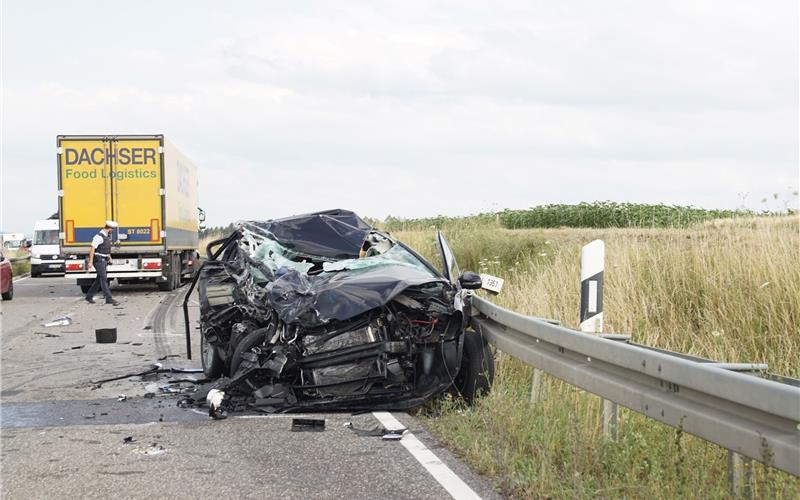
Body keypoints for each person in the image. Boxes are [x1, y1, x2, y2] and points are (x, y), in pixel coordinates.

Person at [85, 221, 120, 306]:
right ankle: (109, 298)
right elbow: (92, 249)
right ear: (109, 228)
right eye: (112, 229)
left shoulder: (106, 237)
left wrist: (109, 257)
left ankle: (89, 296)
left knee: (99, 280)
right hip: (98, 259)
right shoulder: (98, 237)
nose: (112, 231)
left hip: (103, 259)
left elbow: (106, 249)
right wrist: (90, 262)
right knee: (104, 279)